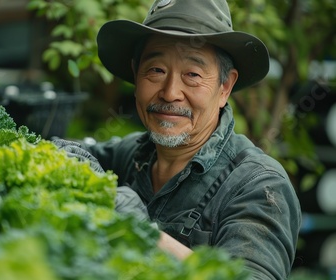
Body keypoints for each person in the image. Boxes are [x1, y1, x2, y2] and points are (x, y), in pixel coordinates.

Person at [53, 0, 301, 279]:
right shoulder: (132, 155)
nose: (170, 93)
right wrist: (69, 155)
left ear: (225, 87)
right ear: (136, 75)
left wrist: (146, 236)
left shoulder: (259, 185)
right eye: (156, 70)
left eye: (192, 75)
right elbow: (67, 152)